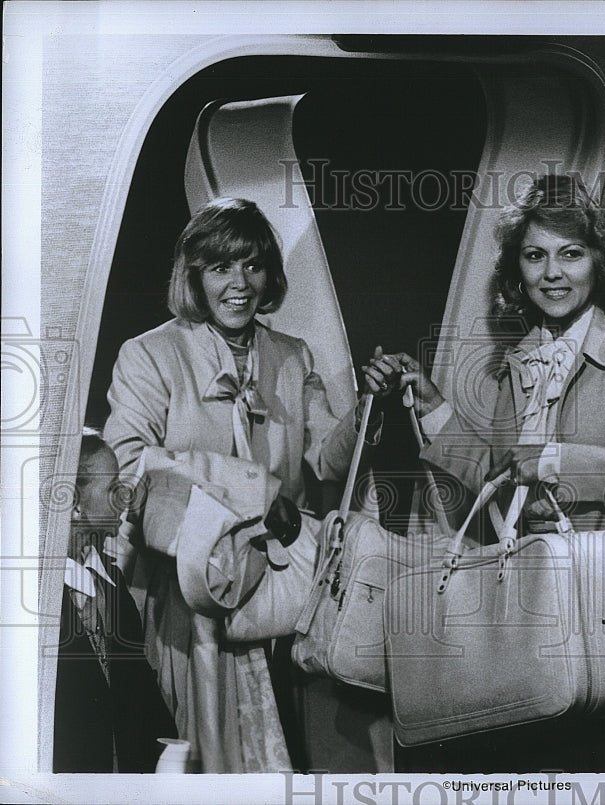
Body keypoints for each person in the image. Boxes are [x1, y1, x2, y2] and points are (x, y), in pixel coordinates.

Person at [364, 174, 605, 772]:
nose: (553, 273)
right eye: (535, 255)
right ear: (516, 272)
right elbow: (497, 479)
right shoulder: (517, 362)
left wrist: (560, 465)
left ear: (600, 264)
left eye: (571, 254)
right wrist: (431, 404)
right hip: (544, 627)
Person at [103, 198, 372, 772]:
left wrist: (369, 413)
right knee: (214, 763)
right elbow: (128, 470)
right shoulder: (150, 354)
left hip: (283, 598)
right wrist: (254, 491)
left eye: (252, 265)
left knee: (297, 757)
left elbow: (325, 462)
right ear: (194, 275)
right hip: (189, 600)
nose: (239, 284)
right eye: (221, 267)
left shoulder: (291, 357)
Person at [54, 428, 177, 772]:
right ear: (74, 503)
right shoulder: (41, 599)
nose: (124, 498)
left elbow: (138, 686)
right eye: (111, 489)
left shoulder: (113, 582)